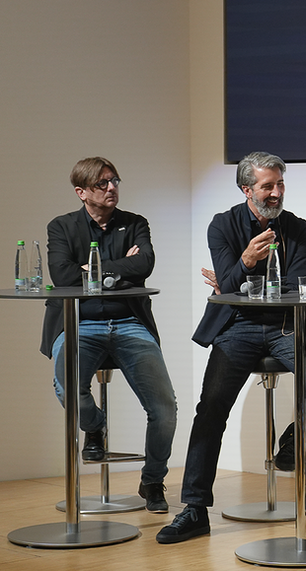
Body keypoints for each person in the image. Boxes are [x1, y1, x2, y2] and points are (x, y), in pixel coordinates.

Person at [157, 151, 306, 544]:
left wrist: (236, 280)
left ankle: (291, 443)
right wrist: (243, 261)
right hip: (236, 327)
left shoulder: (297, 228)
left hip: (286, 326)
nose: (276, 193)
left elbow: (295, 284)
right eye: (267, 186)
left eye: (280, 185)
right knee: (210, 411)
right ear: (247, 190)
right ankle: (193, 509)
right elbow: (227, 280)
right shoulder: (222, 225)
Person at [42, 157, 178, 514]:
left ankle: (152, 480)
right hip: (78, 323)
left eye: (114, 180)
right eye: (102, 183)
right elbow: (62, 274)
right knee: (67, 386)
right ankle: (95, 426)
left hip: (129, 323)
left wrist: (92, 269)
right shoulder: (61, 227)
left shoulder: (135, 224)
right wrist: (119, 269)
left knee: (165, 408)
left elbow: (144, 263)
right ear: (81, 192)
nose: (112, 187)